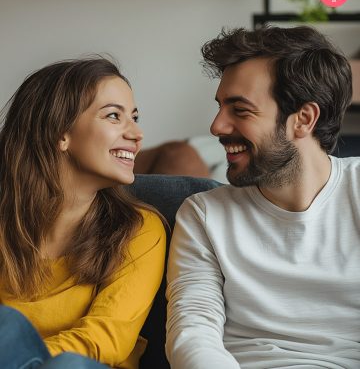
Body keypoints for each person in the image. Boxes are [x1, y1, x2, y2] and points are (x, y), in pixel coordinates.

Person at [166, 25, 360, 368]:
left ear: (303, 119)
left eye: (239, 110)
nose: (217, 127)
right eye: (220, 107)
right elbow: (193, 332)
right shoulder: (204, 215)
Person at [0, 58, 166, 369]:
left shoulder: (140, 229)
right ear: (60, 132)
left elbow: (105, 341)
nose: (137, 133)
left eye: (135, 117)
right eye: (114, 116)